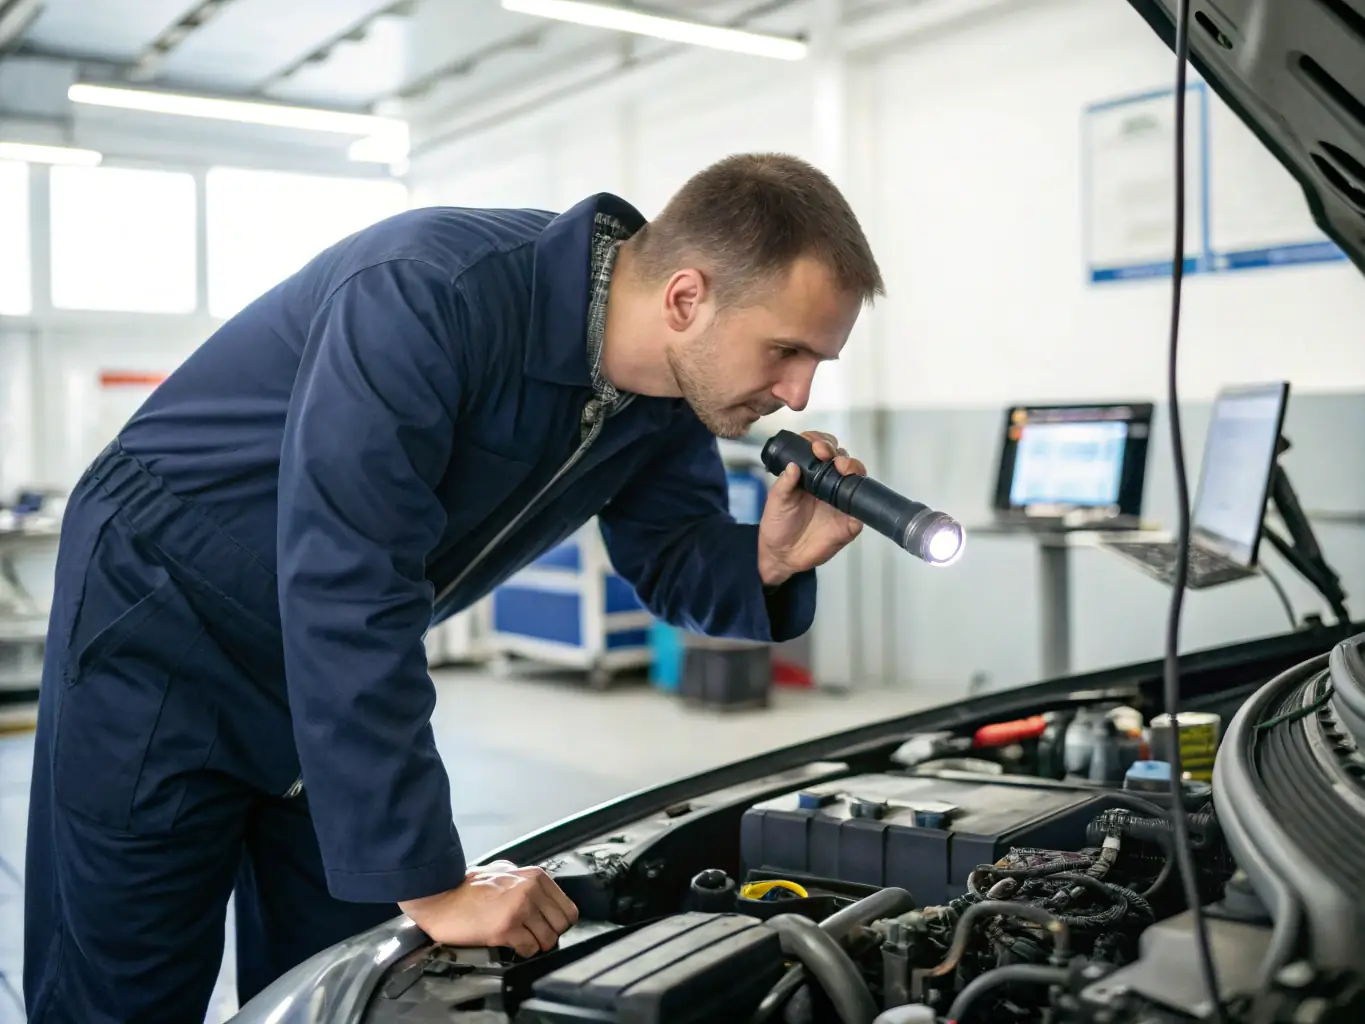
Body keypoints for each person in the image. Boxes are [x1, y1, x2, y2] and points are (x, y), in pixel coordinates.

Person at [23, 151, 885, 1022]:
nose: (797, 392)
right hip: (165, 618)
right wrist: (431, 883)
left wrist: (766, 560)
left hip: (326, 663)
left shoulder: (664, 397)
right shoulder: (427, 290)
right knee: (124, 979)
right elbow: (348, 574)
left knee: (345, 977)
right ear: (685, 298)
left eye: (817, 360)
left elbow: (671, 555)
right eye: (785, 351)